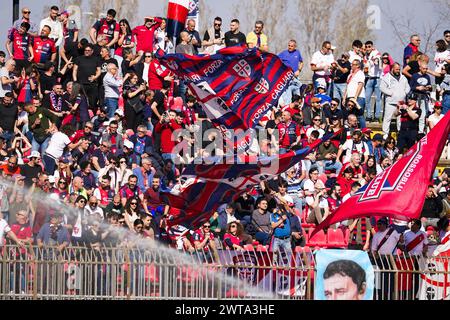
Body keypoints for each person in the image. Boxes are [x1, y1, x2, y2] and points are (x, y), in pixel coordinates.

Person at [72, 44, 101, 112]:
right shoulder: (79, 59)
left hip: (92, 84)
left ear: (92, 51)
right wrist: (75, 81)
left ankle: (91, 116)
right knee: (80, 101)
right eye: (85, 50)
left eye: (88, 50)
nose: (87, 51)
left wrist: (95, 77)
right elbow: (75, 70)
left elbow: (99, 70)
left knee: (92, 102)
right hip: (81, 84)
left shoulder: (96, 59)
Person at [343, 59, 366, 128]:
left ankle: (364, 131)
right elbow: (347, 87)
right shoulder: (350, 75)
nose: (351, 65)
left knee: (359, 115)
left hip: (358, 97)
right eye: (351, 64)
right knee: (351, 116)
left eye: (353, 64)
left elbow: (360, 85)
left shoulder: (360, 73)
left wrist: (355, 97)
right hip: (349, 97)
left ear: (358, 66)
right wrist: (344, 98)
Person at [364, 41, 382, 122]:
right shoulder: (365, 56)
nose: (368, 48)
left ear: (372, 47)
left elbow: (378, 59)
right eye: (366, 46)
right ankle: (368, 115)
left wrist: (376, 61)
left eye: (369, 46)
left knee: (378, 99)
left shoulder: (376, 53)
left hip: (377, 78)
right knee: (366, 98)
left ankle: (377, 117)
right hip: (369, 78)